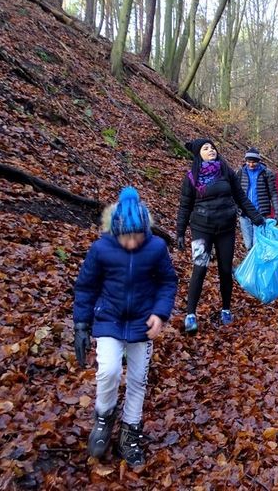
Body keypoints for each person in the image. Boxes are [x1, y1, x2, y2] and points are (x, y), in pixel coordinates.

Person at [73, 186, 178, 466]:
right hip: (109, 319)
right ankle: (104, 416)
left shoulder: (156, 248)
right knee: (108, 370)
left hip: (142, 322)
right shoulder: (101, 249)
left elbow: (167, 282)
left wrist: (160, 313)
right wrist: (81, 324)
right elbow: (86, 286)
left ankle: (130, 431)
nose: (131, 243)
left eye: (137, 236)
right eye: (126, 237)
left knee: (138, 379)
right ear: (116, 231)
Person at [176, 138, 266, 332]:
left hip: (226, 228)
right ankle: (190, 314)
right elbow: (185, 206)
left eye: (212, 147)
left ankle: (226, 309)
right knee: (199, 268)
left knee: (225, 270)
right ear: (198, 154)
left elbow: (241, 197)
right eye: (206, 148)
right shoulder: (191, 177)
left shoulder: (226, 171)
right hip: (201, 229)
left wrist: (256, 217)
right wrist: (180, 232)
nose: (211, 150)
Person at [236, 147, 278, 250]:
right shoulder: (240, 173)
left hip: (260, 213)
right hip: (244, 213)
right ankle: (250, 259)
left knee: (257, 244)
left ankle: (256, 260)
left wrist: (277, 211)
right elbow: (235, 192)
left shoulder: (266, 173)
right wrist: (235, 207)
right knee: (248, 244)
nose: (251, 164)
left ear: (259, 161)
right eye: (248, 161)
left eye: (254, 162)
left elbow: (273, 193)